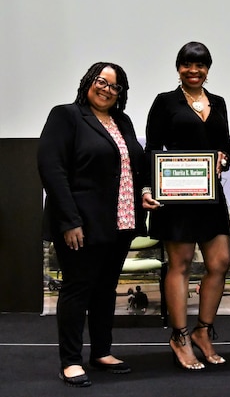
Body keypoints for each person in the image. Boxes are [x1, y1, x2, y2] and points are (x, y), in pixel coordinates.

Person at [38, 62, 146, 387]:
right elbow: (51, 169)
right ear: (89, 82)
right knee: (77, 289)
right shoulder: (66, 116)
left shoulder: (122, 121)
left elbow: (134, 166)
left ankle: (101, 352)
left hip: (120, 222)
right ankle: (70, 361)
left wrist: (146, 190)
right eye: (102, 81)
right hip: (80, 224)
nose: (107, 89)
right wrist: (69, 220)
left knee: (105, 290)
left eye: (115, 86)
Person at [142, 41, 230, 371]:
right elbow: (152, 147)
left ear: (208, 69)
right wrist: (150, 186)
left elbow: (225, 145)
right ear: (178, 68)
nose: (194, 70)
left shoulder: (219, 102)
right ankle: (179, 337)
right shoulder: (165, 102)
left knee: (220, 262)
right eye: (187, 64)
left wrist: (224, 156)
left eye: (200, 65)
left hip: (211, 195)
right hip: (176, 195)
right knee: (179, 265)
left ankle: (202, 332)